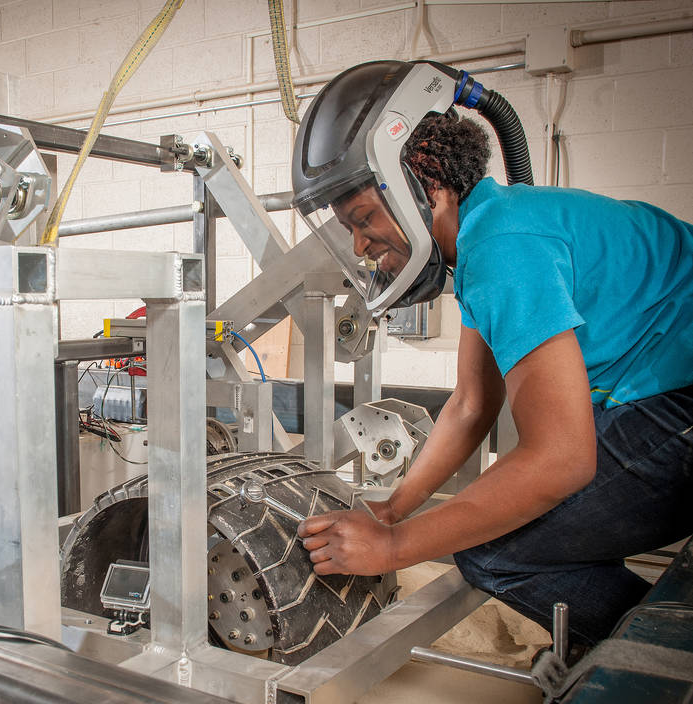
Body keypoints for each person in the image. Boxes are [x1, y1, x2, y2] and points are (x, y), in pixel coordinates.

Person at [290, 60, 693, 647]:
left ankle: (654, 673)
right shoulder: (491, 231)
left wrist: (396, 548)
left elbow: (562, 460)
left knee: (491, 551)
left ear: (424, 187)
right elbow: (471, 404)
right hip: (665, 395)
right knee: (498, 511)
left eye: (364, 219)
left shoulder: (503, 246)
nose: (360, 244)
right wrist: (394, 511)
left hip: (677, 406)